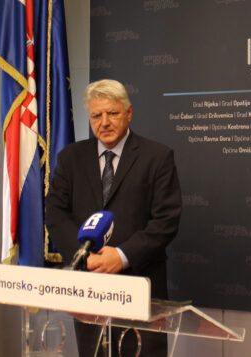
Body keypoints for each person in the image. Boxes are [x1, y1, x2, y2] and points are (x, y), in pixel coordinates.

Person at [45, 79, 182, 356]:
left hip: (140, 289)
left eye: (112, 113)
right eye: (96, 115)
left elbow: (165, 221)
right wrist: (83, 255)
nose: (104, 122)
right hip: (89, 289)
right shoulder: (70, 157)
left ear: (128, 113)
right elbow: (55, 213)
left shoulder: (157, 157)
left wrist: (121, 255)